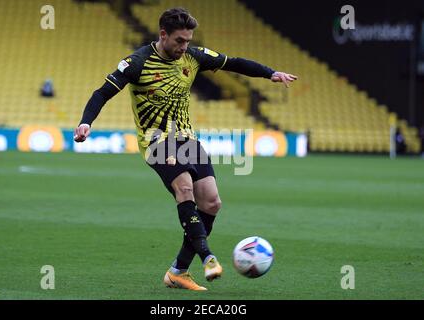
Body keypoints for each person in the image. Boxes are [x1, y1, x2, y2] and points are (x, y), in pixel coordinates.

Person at [74, 7, 297, 291]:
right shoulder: (137, 62)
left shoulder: (193, 56)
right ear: (163, 34)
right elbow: (101, 93)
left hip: (187, 140)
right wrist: (86, 122)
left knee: (212, 203)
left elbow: (234, 63)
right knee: (185, 189)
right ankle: (208, 257)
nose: (184, 46)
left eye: (188, 40)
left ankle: (178, 271)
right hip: (156, 141)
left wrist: (271, 73)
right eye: (179, 40)